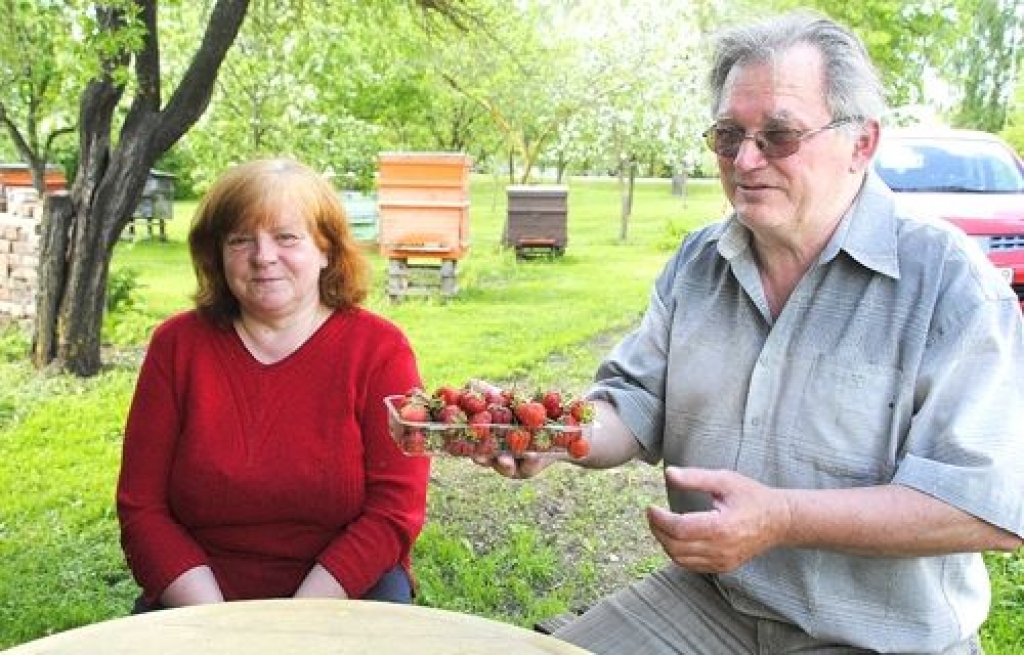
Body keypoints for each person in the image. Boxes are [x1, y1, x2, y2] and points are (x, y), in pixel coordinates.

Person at [481, 10, 1024, 654]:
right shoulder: (698, 261)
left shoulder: (948, 284)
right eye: (727, 134)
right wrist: (555, 433)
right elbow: (633, 405)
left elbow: (985, 508)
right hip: (711, 602)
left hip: (878, 636)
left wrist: (782, 519)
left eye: (779, 135)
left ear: (862, 143)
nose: (744, 158)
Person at [116, 158, 430, 611]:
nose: (263, 257)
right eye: (241, 240)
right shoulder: (177, 347)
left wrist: (293, 624)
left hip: (345, 590)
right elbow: (142, 507)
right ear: (217, 254)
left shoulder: (379, 350)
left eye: (286, 237)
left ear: (326, 250)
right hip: (200, 597)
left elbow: (394, 511)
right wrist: (216, 624)